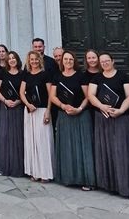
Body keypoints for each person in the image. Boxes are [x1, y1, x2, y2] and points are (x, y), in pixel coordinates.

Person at [88, 53, 129, 200]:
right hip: (102, 117)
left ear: (112, 61)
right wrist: (101, 106)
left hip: (121, 118)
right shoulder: (96, 78)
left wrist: (121, 110)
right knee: (106, 150)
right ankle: (111, 185)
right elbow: (91, 95)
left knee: (123, 150)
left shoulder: (123, 76)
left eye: (106, 61)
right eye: (102, 61)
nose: (104, 63)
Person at [50, 50, 95, 191]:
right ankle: (68, 177)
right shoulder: (57, 77)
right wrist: (63, 106)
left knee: (83, 147)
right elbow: (53, 96)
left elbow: (88, 96)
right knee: (67, 146)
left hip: (81, 115)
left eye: (70, 59)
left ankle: (86, 179)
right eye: (65, 59)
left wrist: (79, 109)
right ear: (61, 61)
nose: (68, 61)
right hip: (64, 115)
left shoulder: (81, 76)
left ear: (74, 61)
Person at [20, 50, 54, 182]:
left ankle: (45, 173)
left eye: (35, 59)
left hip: (42, 110)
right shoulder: (26, 75)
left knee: (43, 142)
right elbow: (22, 92)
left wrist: (48, 111)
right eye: (31, 59)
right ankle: (34, 171)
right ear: (28, 61)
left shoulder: (45, 74)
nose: (33, 61)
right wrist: (28, 104)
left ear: (39, 60)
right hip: (29, 111)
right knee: (31, 141)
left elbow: (51, 94)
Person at [0, 51, 24, 177]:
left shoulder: (23, 74)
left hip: (18, 108)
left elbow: (25, 91)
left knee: (18, 136)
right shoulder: (2, 73)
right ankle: (4, 167)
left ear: (17, 59)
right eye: (9, 58)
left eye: (14, 58)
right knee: (5, 136)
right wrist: (5, 101)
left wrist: (17, 102)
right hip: (5, 107)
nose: (11, 60)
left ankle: (18, 168)